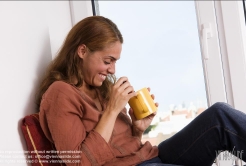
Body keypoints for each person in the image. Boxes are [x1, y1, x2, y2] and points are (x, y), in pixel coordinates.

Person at [37, 16, 246, 166]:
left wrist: (137, 129)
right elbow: (79, 162)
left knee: (219, 116)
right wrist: (111, 110)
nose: (112, 70)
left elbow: (125, 145)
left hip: (149, 156)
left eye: (115, 62)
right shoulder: (60, 94)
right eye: (107, 61)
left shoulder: (102, 89)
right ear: (82, 51)